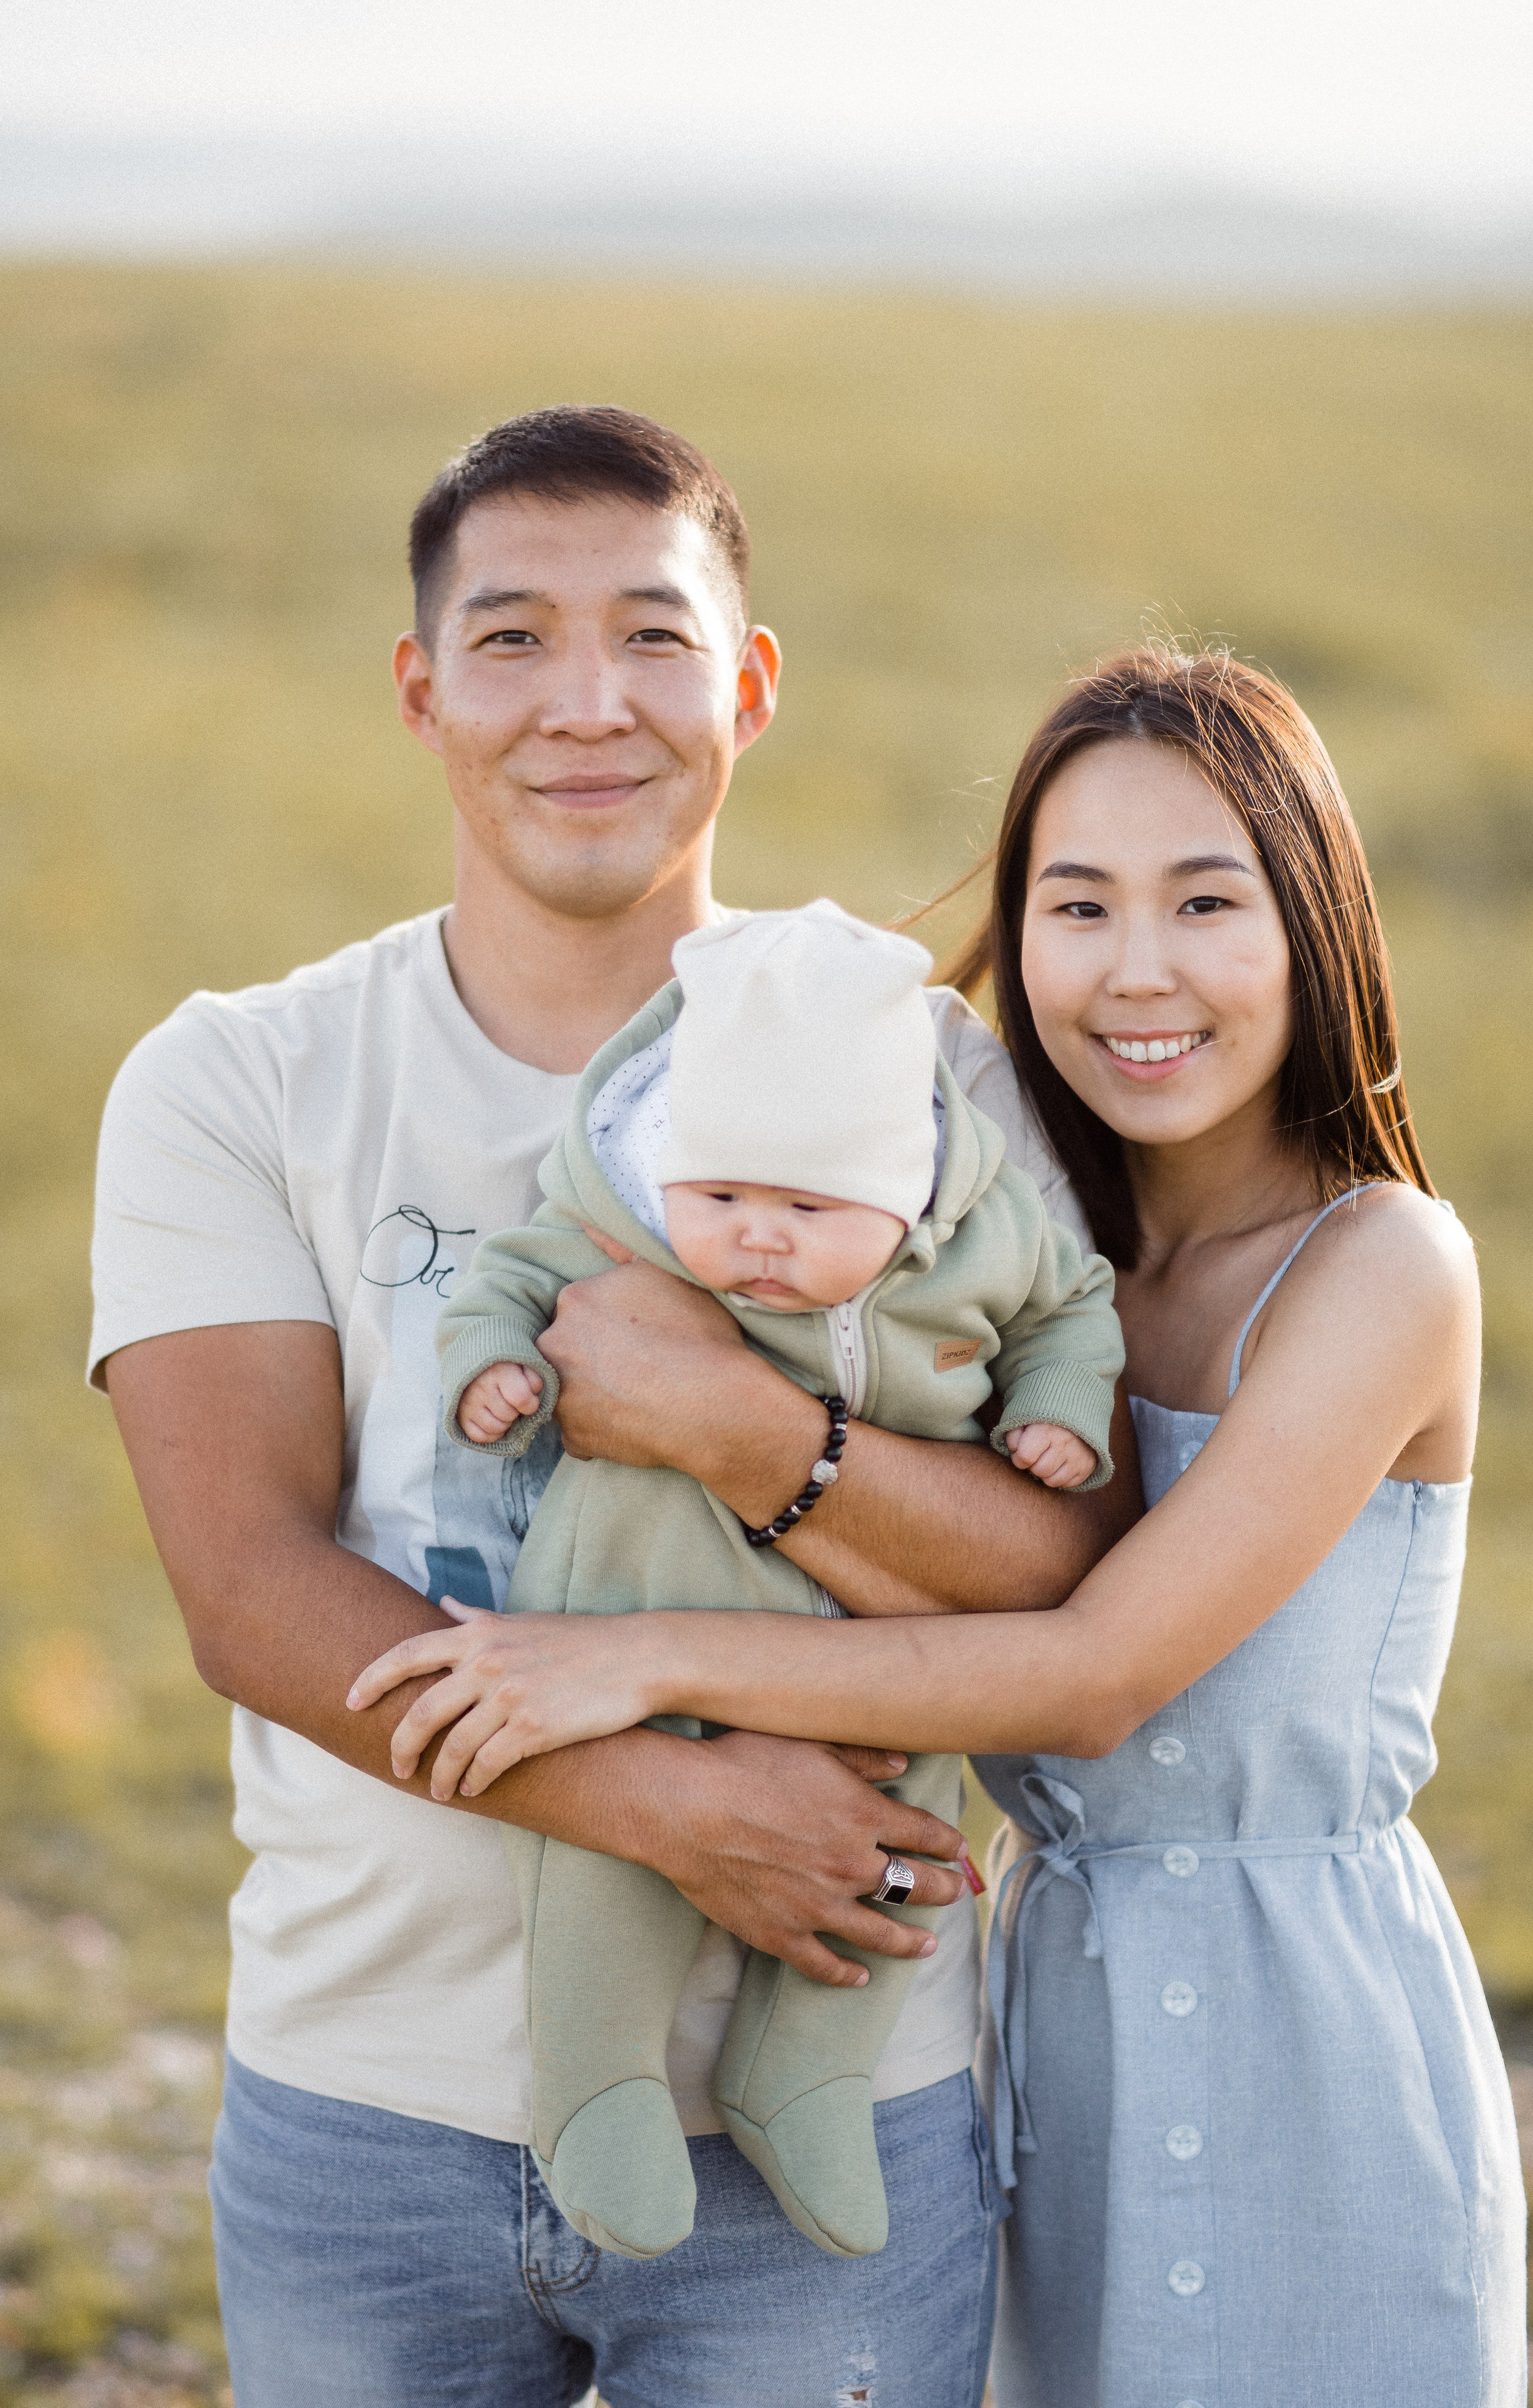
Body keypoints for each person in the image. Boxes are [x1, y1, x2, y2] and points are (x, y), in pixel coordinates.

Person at [91, 404, 1141, 2408]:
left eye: (654, 638)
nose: (587, 702)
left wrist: (741, 1432)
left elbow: (1066, 1575)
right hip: (364, 2102)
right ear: (421, 693)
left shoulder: (935, 1086)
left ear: (747, 687)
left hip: (838, 2091)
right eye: (510, 640)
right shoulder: (242, 1079)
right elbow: (247, 1589)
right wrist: (677, 1808)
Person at [422, 645, 1528, 2405]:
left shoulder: (1381, 1266)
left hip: (1303, 2047)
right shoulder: (997, 1273)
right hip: (1050, 2031)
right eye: (1076, 906)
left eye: (1207, 903)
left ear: (1313, 928)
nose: (1139, 971)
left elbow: (1094, 1678)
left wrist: (630, 1655)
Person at [347, 898, 1121, 2264]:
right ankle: (597, 2086)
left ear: (901, 1193)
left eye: (806, 1209)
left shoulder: (984, 1236)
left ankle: (802, 2080)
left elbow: (1070, 1313)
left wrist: (1052, 1407)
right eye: (720, 1198)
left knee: (896, 1865)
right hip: (626, 1619)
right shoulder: (628, 1223)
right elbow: (507, 1283)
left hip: (883, 1659)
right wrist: (494, 1371)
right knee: (599, 1882)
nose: (755, 1237)